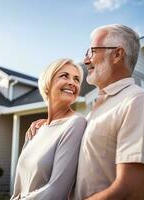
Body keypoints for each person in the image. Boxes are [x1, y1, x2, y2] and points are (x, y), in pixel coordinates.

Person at [27, 24, 144, 200]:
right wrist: (49, 125)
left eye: (92, 51)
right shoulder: (94, 113)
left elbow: (131, 192)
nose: (86, 60)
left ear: (117, 54)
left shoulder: (140, 102)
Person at [10, 58, 87, 200]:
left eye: (76, 79)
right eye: (65, 76)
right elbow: (18, 187)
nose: (72, 82)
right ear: (48, 82)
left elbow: (56, 191)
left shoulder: (76, 124)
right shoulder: (36, 129)